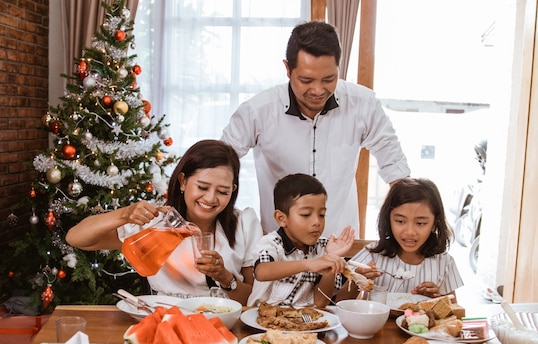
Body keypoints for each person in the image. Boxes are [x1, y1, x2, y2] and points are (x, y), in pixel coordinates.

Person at [220, 20, 410, 236]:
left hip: (340, 245)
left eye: (329, 79)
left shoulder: (363, 104)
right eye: (306, 80)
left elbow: (396, 169)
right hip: (278, 249)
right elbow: (217, 164)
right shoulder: (258, 111)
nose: (318, 90)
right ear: (287, 69)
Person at [66, 140, 263, 305]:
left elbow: (254, 299)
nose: (211, 198)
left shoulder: (244, 224)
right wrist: (125, 214)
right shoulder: (157, 220)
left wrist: (225, 278)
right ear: (183, 181)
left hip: (223, 320)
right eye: (202, 187)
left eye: (223, 192)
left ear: (233, 190)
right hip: (165, 317)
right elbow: (76, 238)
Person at [247, 173, 355, 308]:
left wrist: (332, 257)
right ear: (281, 218)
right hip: (262, 319)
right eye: (306, 215)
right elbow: (262, 272)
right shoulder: (271, 243)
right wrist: (309, 264)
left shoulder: (324, 248)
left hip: (303, 321)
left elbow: (321, 302)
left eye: (322, 214)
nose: (317, 222)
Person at [347, 178, 463, 299]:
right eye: (400, 221)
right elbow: (340, 302)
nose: (410, 232)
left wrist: (436, 299)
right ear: (388, 219)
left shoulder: (444, 263)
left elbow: (454, 311)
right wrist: (358, 280)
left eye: (420, 223)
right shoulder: (372, 254)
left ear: (434, 223)